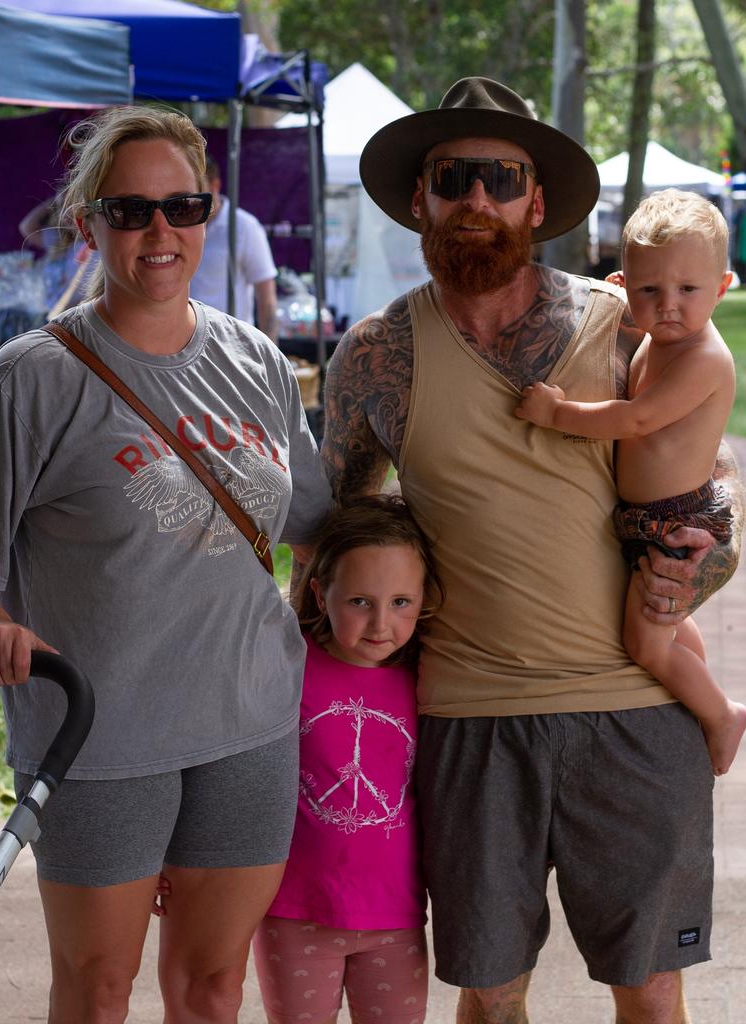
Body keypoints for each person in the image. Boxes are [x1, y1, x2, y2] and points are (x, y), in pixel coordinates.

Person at [320, 77, 743, 1024]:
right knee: (489, 988)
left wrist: (698, 561)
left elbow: (708, 488)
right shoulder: (376, 358)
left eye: (500, 178)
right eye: (453, 177)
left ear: (536, 202)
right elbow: (337, 540)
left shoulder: (627, 320)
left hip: (635, 715)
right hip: (471, 718)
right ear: (419, 199)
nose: (477, 199)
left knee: (652, 988)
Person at [0, 105, 331, 1023]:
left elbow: (318, 523)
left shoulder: (254, 357)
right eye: (130, 211)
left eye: (183, 205)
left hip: (251, 724)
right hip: (98, 741)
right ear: (87, 222)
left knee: (213, 987)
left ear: (210, 212)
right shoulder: (33, 377)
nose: (160, 231)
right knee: (96, 990)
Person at [515, 188, 746, 777]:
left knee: (644, 643)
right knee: (663, 628)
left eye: (688, 291)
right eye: (650, 290)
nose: (668, 306)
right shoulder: (658, 338)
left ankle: (721, 714)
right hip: (646, 519)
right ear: (623, 282)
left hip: (682, 518)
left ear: (722, 288)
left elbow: (636, 419)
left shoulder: (704, 359)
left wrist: (556, 414)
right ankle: (699, 688)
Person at [251, 494, 443, 1024]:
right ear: (320, 592)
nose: (381, 623)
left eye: (401, 602)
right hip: (292, 910)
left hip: (395, 914)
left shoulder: (431, 677)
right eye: (360, 601)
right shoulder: (286, 667)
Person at [190, 155, 279, 339]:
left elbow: (266, 299)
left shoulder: (245, 227)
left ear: (215, 185)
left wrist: (270, 359)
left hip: (233, 346)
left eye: (200, 190)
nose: (193, 199)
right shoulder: (178, 224)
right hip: (183, 345)